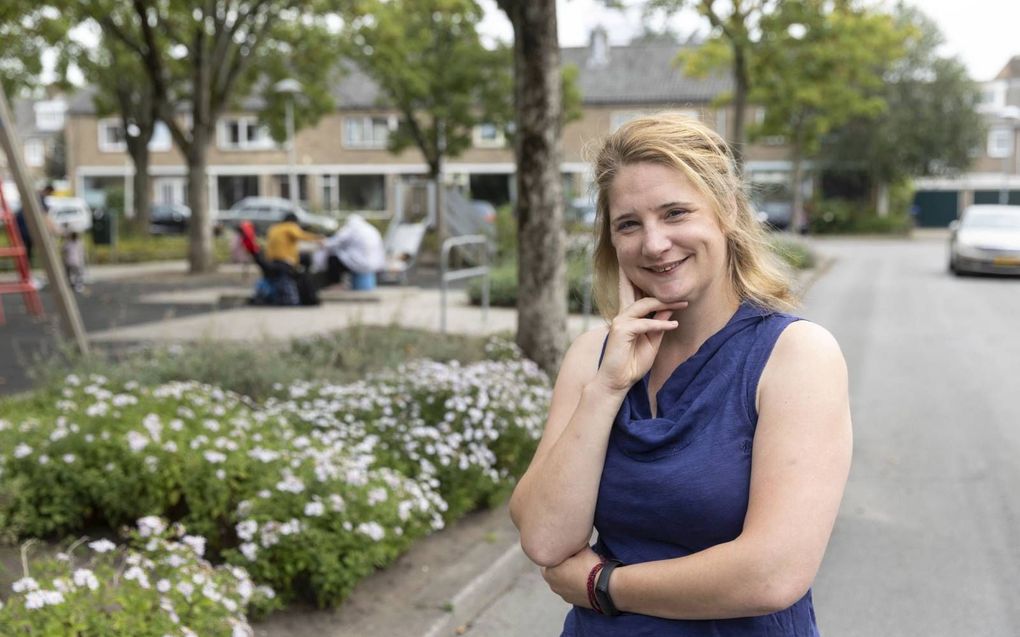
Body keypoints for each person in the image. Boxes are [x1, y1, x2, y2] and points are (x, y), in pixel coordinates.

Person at [509, 113, 852, 636]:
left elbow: (772, 574)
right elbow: (544, 537)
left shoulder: (795, 356)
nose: (654, 243)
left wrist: (604, 585)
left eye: (675, 213)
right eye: (629, 224)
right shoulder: (593, 356)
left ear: (727, 211)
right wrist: (606, 389)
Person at [263, 212, 323, 305]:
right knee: (305, 264)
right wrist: (318, 238)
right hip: (285, 261)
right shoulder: (289, 226)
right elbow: (301, 236)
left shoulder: (274, 228)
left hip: (271, 262)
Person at [311, 213, 385, 287]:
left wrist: (324, 242)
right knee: (342, 256)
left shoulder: (352, 228)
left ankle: (335, 284)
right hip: (375, 264)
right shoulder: (371, 229)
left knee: (333, 258)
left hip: (361, 262)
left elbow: (337, 240)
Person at [14, 184, 55, 289]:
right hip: (27, 228)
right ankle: (33, 277)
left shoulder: (35, 196)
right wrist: (52, 229)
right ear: (48, 191)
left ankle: (26, 277)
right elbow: (44, 215)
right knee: (34, 252)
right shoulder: (40, 199)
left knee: (26, 253)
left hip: (21, 227)